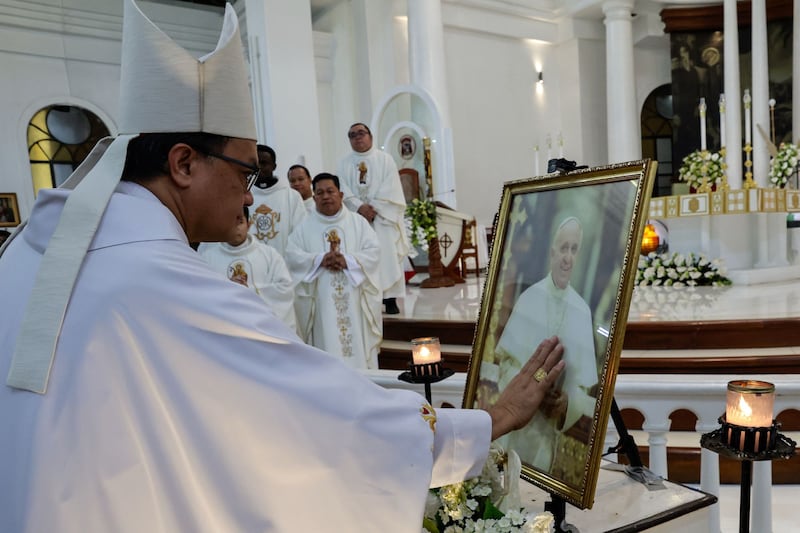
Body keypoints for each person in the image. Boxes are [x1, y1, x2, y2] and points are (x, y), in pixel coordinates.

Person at [0, 2, 566, 531]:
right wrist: (489, 421)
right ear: (183, 164)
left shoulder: (35, 247)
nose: (252, 197)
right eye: (246, 174)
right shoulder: (165, 281)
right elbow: (325, 419)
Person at [485, 216, 598, 488]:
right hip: (515, 428)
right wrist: (531, 391)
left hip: (547, 435)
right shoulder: (529, 298)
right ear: (552, 253)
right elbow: (504, 365)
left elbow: (584, 391)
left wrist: (566, 404)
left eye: (574, 249)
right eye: (563, 248)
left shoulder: (582, 310)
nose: (567, 257)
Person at [286, 173, 382, 369]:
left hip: (355, 299)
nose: (326, 196)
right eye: (320, 193)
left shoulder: (358, 223)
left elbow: (374, 251)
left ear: (341, 194)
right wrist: (320, 259)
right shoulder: (303, 228)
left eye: (330, 191)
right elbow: (292, 256)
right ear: (314, 198)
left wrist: (347, 260)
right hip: (321, 303)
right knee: (326, 339)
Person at [337, 122, 408, 315]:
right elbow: (342, 188)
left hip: (382, 218)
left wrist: (373, 208)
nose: (357, 137)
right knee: (360, 256)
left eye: (361, 133)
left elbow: (390, 186)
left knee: (386, 257)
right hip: (357, 220)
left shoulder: (385, 159)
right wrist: (359, 207)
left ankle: (390, 298)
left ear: (370, 136)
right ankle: (365, 297)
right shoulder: (343, 163)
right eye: (352, 135)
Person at [198, 206, 297, 332]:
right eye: (231, 222)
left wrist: (249, 291)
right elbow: (200, 293)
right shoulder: (207, 257)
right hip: (225, 329)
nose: (236, 227)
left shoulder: (269, 255)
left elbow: (285, 290)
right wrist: (228, 291)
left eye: (240, 222)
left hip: (262, 330)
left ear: (249, 224)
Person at [248, 144, 307, 255]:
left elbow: (300, 234)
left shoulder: (291, 196)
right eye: (256, 164)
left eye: (264, 163)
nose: (259, 168)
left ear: (274, 166)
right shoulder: (244, 196)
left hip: (285, 264)